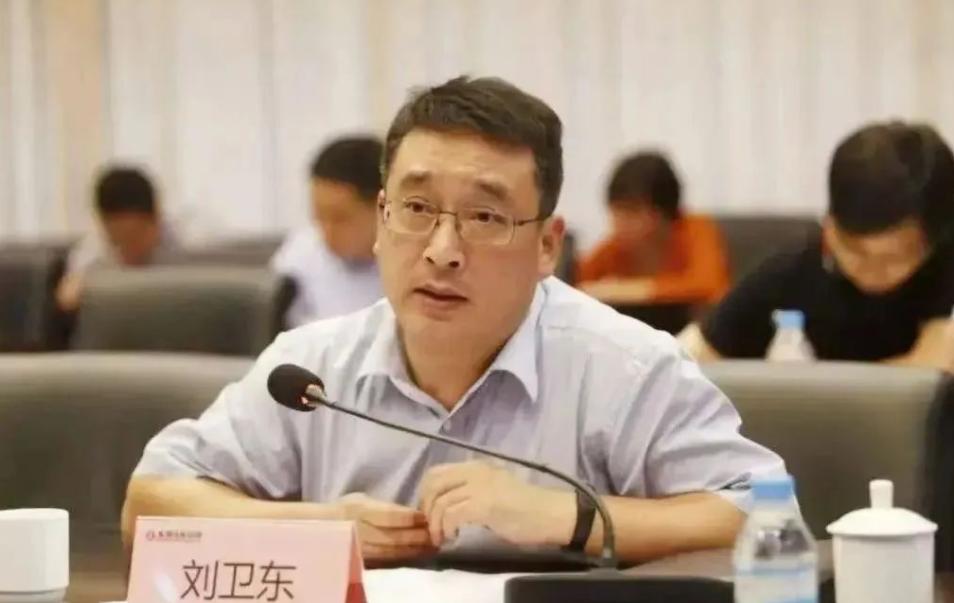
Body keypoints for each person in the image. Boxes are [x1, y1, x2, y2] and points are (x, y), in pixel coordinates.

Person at [122, 76, 784, 566]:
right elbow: (151, 503)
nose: (442, 250)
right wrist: (321, 528)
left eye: (485, 216)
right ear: (382, 220)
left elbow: (762, 514)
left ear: (547, 246)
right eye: (416, 208)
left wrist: (566, 514)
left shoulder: (624, 365)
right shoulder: (312, 370)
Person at [680, 120, 954, 370]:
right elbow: (692, 355)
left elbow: (935, 367)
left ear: (935, 241)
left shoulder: (944, 268)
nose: (870, 270)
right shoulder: (790, 273)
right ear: (829, 223)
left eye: (892, 259)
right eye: (853, 250)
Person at [577, 151, 729, 305]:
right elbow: (574, 280)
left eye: (632, 211)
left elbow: (709, 286)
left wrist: (630, 290)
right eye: (615, 211)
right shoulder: (616, 246)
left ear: (662, 212)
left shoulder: (696, 229)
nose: (619, 222)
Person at [271, 137, 384, 327]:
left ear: (382, 208)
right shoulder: (298, 257)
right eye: (319, 216)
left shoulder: (413, 264)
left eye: (340, 218)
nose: (326, 232)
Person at [56, 166, 180, 313]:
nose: (130, 248)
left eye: (135, 236)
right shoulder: (95, 247)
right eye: (119, 241)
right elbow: (67, 297)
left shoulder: (186, 242)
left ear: (157, 218)